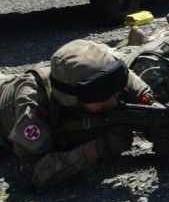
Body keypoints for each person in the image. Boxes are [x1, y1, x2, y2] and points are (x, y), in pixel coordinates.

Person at [0, 40, 156, 191]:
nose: (114, 101)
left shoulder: (107, 76)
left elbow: (151, 105)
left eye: (115, 91)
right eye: (101, 97)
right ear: (72, 99)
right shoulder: (33, 103)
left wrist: (160, 125)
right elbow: (31, 172)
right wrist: (95, 149)